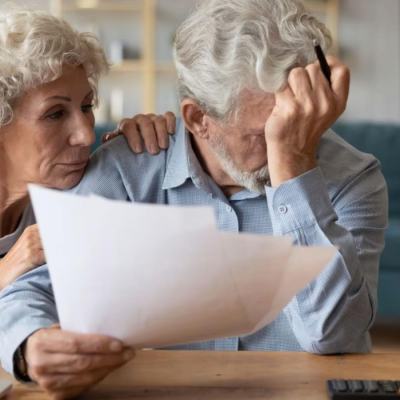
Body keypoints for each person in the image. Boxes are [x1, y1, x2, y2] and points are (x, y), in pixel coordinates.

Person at [0, 0, 388, 398]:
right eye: (263, 134)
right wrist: (30, 345)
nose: (284, 141)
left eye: (295, 121)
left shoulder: (353, 179)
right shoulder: (126, 172)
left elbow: (334, 335)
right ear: (198, 119)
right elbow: (30, 289)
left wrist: (295, 168)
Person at [0, 10, 176, 291]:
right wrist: (8, 268)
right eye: (55, 114)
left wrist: (147, 139)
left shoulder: (73, 188)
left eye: (86, 107)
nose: (84, 135)